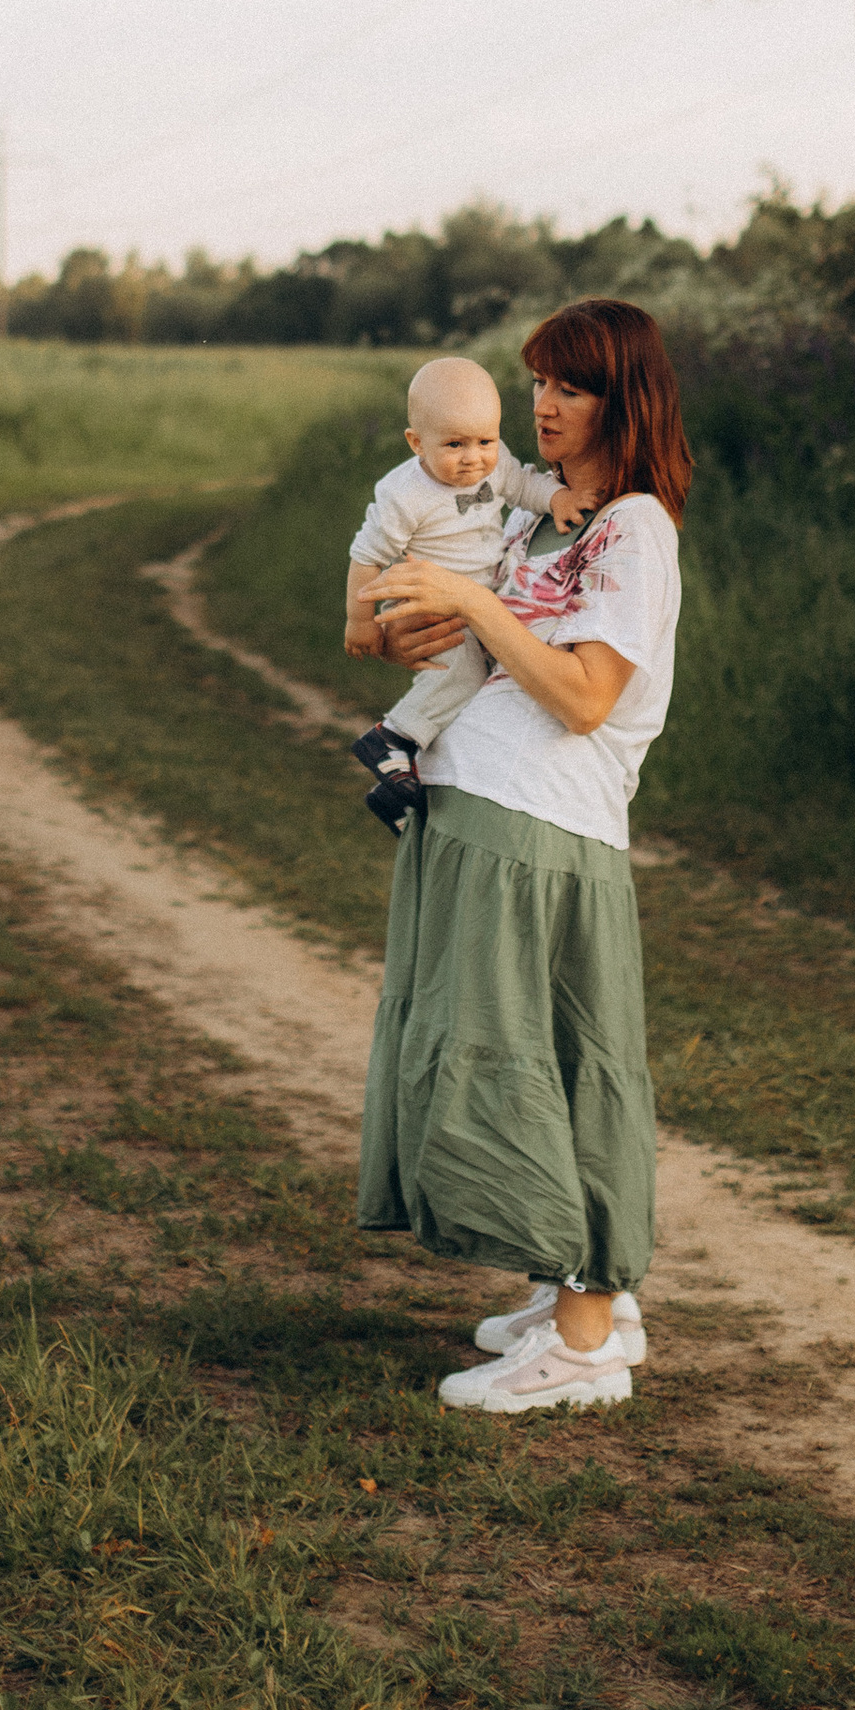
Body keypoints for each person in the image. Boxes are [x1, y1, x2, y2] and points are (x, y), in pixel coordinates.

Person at [352, 295, 691, 1418]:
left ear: (622, 400)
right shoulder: (530, 516)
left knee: (560, 1063)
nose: (543, 406)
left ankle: (587, 1345)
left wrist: (471, 604)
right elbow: (484, 649)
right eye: (538, 381)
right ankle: (573, 1296)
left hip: (544, 827)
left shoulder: (632, 531)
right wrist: (412, 626)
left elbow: (588, 697)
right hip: (478, 809)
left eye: (572, 387)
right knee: (507, 1050)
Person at [342, 353, 576, 829]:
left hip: (478, 597)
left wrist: (557, 499)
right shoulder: (403, 495)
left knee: (476, 688)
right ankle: (391, 738)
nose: (473, 457)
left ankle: (396, 792)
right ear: (416, 443)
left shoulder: (494, 464)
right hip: (429, 600)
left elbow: (524, 485)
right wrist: (361, 621)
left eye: (485, 441)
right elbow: (366, 557)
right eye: (454, 444)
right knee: (462, 671)